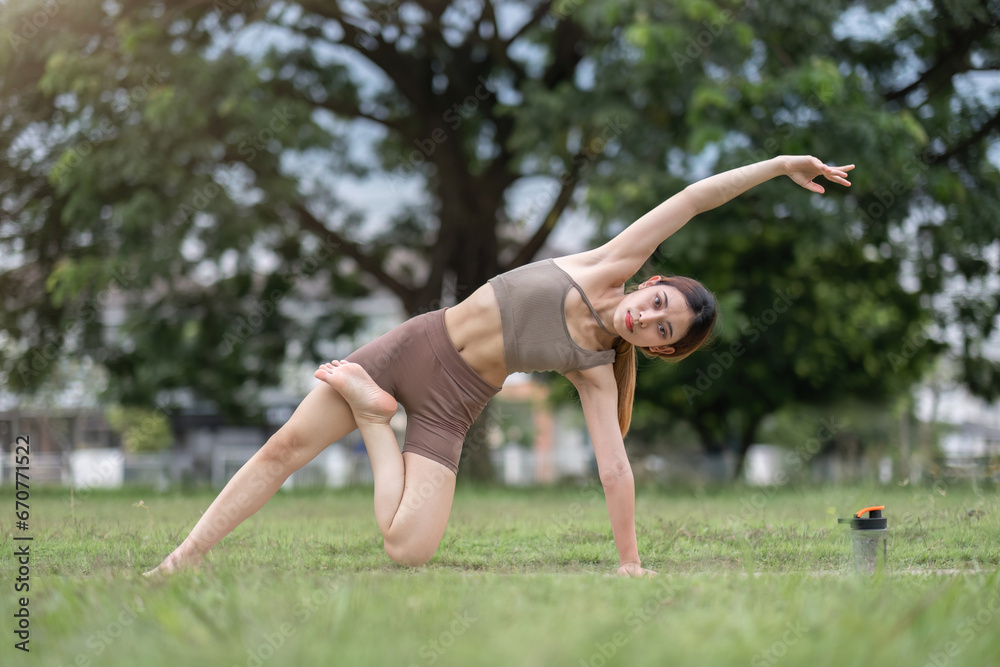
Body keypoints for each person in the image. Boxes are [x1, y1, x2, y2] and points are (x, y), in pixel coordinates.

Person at [144, 155, 852, 578]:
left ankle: (374, 418)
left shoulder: (598, 368)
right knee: (284, 447)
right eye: (657, 302)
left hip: (453, 406)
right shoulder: (611, 262)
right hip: (411, 350)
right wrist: (779, 166)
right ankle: (181, 559)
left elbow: (614, 466)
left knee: (407, 550)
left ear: (661, 350)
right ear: (648, 283)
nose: (648, 318)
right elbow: (697, 199)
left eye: (663, 330)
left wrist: (629, 560)